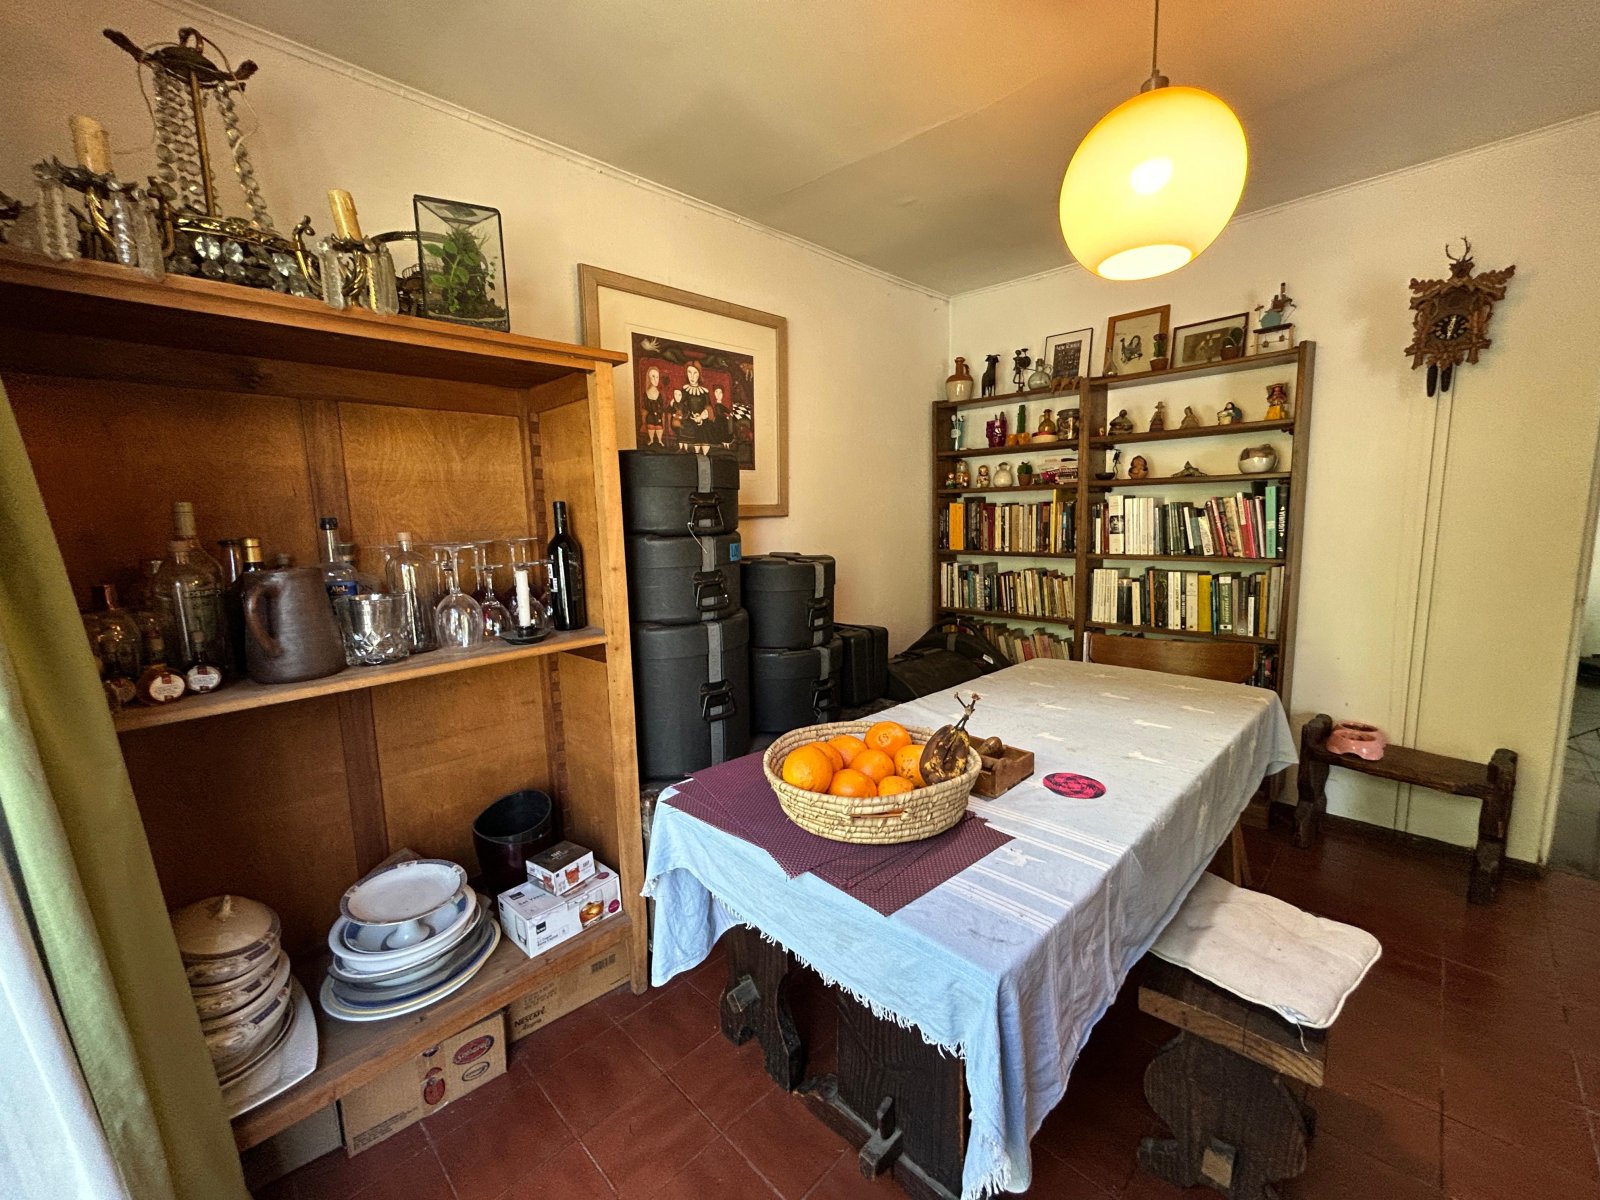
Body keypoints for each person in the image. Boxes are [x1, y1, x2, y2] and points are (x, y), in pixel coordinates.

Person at [639, 364, 666, 446]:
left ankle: (660, 440)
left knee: (659, 426)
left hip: (658, 415)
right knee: (650, 425)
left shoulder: (660, 393)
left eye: (657, 377)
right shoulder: (646, 393)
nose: (655, 379)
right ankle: (651, 440)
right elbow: (645, 406)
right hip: (650, 415)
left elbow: (662, 405)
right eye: (653, 377)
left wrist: (659, 411)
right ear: (649, 378)